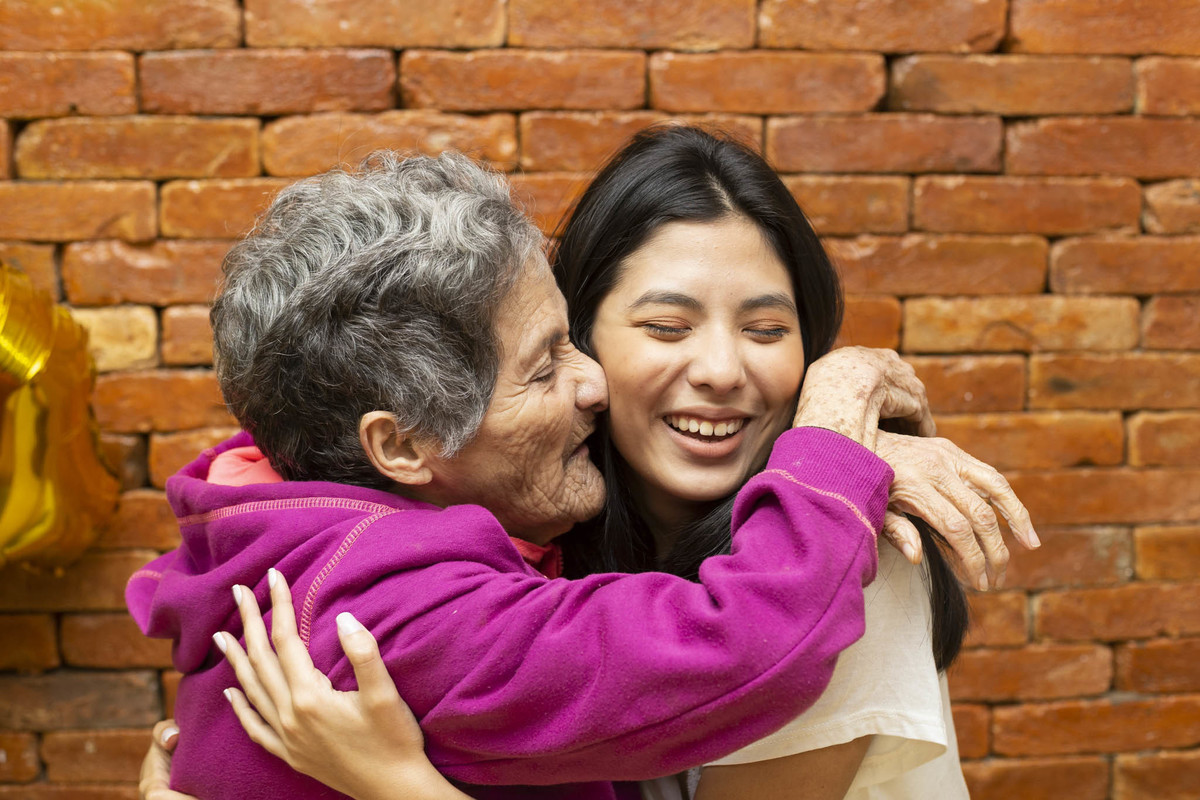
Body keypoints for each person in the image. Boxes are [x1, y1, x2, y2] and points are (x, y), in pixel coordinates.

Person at [137, 131, 1035, 798]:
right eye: (552, 359)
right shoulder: (391, 616)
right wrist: (840, 416)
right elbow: (744, 640)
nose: (590, 387)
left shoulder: (299, 521)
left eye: (768, 330)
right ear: (401, 446)